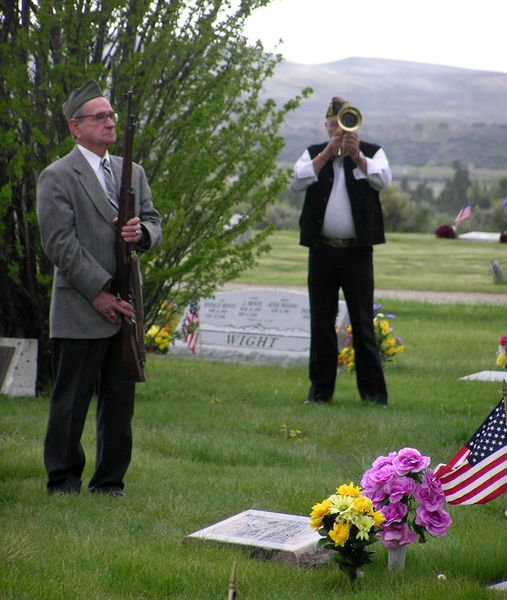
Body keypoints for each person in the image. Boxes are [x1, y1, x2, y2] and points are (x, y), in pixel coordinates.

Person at [37, 80, 162, 496]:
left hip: (126, 307)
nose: (109, 122)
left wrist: (140, 232)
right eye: (100, 116)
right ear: (76, 127)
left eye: (111, 115)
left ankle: (110, 483)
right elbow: (59, 244)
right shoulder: (56, 176)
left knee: (118, 402)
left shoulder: (134, 171)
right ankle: (63, 481)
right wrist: (98, 292)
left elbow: (153, 221)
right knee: (70, 401)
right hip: (81, 305)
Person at [291, 96, 391, 406]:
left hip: (357, 252)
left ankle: (373, 394)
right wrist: (326, 153)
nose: (340, 132)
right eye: (334, 127)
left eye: (344, 126)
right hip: (321, 251)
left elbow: (383, 180)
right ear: (326, 126)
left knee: (362, 322)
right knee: (321, 322)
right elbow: (297, 181)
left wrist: (357, 155)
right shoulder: (313, 153)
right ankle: (320, 392)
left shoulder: (372, 153)